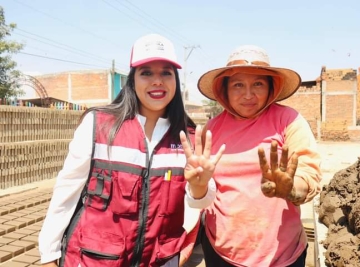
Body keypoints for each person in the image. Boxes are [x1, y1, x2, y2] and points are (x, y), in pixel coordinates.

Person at [38, 33, 224, 267]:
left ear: (176, 81)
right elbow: (67, 190)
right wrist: (49, 253)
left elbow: (199, 203)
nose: (157, 81)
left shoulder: (190, 137)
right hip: (95, 259)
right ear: (132, 79)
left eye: (166, 72)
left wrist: (199, 187)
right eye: (146, 72)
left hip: (160, 260)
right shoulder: (99, 125)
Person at [191, 45, 322, 266]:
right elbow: (202, 188)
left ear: (272, 86)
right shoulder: (212, 129)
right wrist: (197, 185)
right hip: (220, 252)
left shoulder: (288, 120)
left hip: (281, 256)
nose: (248, 95)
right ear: (224, 89)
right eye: (238, 85)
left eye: (258, 84)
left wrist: (290, 188)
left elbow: (309, 175)